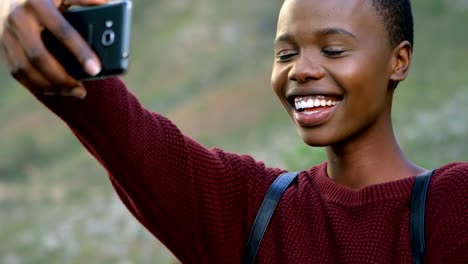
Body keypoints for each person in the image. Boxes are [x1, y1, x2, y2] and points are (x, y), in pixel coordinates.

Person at [2, 0, 468, 263]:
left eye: (332, 49)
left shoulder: (454, 206)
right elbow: (123, 133)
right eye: (285, 54)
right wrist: (40, 22)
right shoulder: (251, 210)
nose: (302, 70)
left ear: (398, 61)